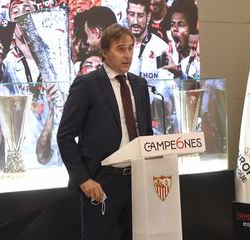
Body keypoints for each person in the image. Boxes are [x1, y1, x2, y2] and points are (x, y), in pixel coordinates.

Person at [57, 23, 153, 240]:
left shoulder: (139, 85)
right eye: (121, 49)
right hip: (101, 182)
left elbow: (146, 132)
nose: (127, 54)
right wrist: (83, 180)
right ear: (105, 52)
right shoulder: (87, 84)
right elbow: (64, 135)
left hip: (137, 179)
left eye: (130, 48)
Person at [0, 0, 61, 167]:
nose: (21, 14)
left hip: (57, 157)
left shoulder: (56, 59)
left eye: (26, 10)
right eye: (16, 11)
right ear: (11, 23)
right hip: (21, 159)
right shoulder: (7, 63)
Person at [126, 0, 171, 80]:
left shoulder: (161, 48)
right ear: (127, 15)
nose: (135, 21)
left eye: (140, 15)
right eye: (132, 14)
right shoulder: (117, 46)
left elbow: (166, 84)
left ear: (149, 16)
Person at [163, 0, 199, 79]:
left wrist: (179, 74)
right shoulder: (167, 56)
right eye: (172, 24)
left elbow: (200, 89)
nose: (174, 29)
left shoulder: (198, 61)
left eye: (181, 24)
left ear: (191, 29)